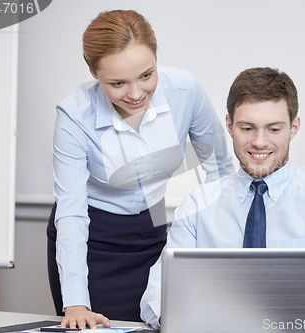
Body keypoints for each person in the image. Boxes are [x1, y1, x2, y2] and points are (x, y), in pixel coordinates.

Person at [140, 67, 305, 332]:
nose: (259, 142)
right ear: (230, 126)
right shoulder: (198, 203)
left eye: (273, 128)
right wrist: (180, 321)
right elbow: (157, 293)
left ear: (293, 127)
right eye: (247, 128)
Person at [47, 9, 234, 329]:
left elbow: (221, 172)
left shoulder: (185, 92)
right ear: (93, 72)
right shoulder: (75, 116)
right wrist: (76, 303)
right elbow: (72, 213)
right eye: (117, 83)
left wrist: (230, 253)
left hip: (152, 232)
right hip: (93, 240)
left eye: (147, 75)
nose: (135, 94)